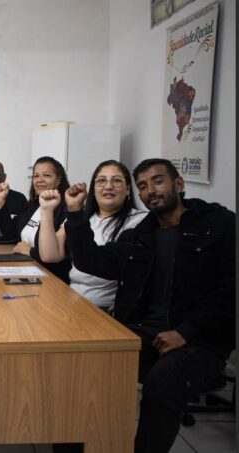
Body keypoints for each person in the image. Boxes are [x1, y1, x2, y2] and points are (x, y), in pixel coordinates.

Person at [64, 158, 235, 453]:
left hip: (201, 339)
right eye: (143, 186)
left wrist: (186, 331)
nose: (150, 191)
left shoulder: (218, 223)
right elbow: (93, 261)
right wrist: (75, 213)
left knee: (162, 383)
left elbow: (231, 290)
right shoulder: (140, 234)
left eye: (158, 181)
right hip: (145, 331)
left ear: (178, 184)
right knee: (82, 364)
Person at [37, 160, 146, 310]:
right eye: (101, 181)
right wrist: (46, 210)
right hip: (72, 298)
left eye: (116, 181)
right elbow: (50, 255)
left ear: (128, 189)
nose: (108, 186)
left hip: (104, 308)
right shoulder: (81, 218)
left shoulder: (140, 220)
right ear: (93, 189)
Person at [0, 156, 71, 282]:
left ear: (59, 180)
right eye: (36, 176)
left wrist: (30, 251)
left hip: (53, 278)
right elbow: (11, 233)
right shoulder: (33, 205)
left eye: (46, 175)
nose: (39, 180)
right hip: (26, 270)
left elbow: (60, 252)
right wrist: (0, 202)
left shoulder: (67, 208)